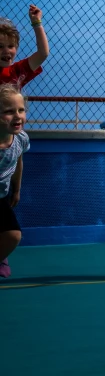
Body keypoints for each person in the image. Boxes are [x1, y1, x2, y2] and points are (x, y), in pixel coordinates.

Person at [0, 84, 29, 278]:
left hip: (1, 196)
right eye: (9, 112)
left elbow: (18, 162)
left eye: (21, 110)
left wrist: (16, 189)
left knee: (13, 235)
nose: (17, 116)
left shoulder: (20, 139)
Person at [0, 5, 50, 88]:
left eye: (11, 46)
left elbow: (42, 54)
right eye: (0, 46)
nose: (6, 50)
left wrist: (36, 22)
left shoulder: (16, 72)